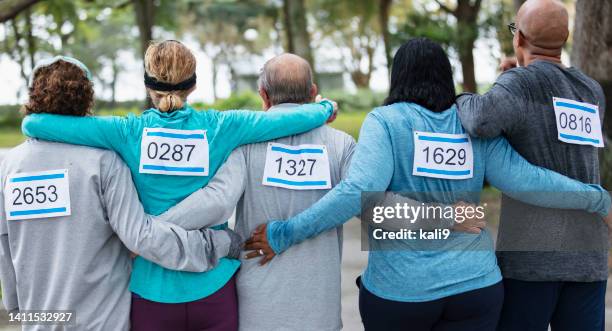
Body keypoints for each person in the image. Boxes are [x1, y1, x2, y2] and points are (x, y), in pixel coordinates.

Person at [244, 38, 612, 331]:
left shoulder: (386, 122)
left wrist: (286, 233)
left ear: (397, 76)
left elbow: (359, 193)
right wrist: (596, 198)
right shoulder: (472, 126)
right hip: (475, 288)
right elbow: (528, 181)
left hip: (401, 293)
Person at [20, 41, 337, 330]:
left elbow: (37, 123)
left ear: (148, 85)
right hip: (213, 288)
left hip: (151, 291)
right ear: (194, 84)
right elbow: (286, 120)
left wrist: (27, 120)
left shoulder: (127, 131)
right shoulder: (223, 126)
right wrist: (325, 108)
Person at [0, 56, 243, 331]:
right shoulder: (104, 162)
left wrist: (20, 310)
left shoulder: (8, 167)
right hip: (101, 320)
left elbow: (5, 247)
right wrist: (218, 244)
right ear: (86, 97)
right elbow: (141, 236)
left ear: (33, 97)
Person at [455, 0, 608, 329]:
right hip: (588, 255)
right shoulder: (591, 91)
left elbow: (479, 120)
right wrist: (515, 78)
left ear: (519, 39)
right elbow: (548, 116)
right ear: (566, 37)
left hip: (532, 259)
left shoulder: (519, 86)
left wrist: (464, 97)